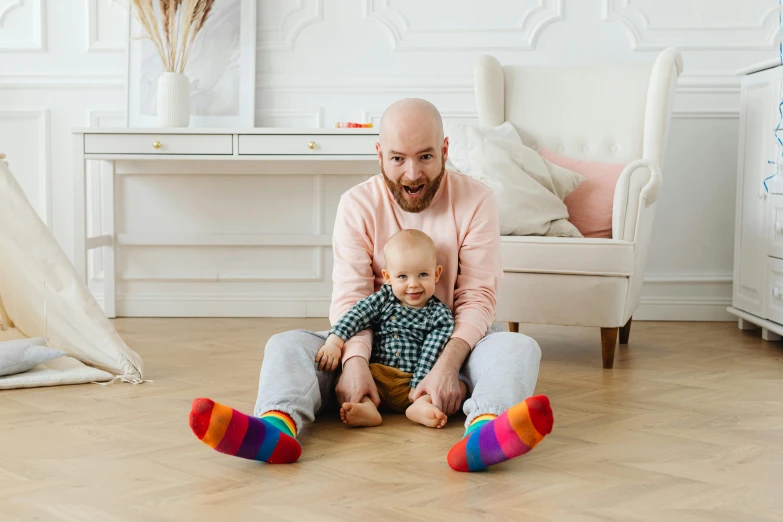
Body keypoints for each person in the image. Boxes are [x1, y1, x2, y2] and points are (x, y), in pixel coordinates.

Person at [189, 98, 553, 471]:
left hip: (450, 348)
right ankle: (276, 429)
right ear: (379, 154)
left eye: (426, 157)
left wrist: (445, 367)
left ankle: (484, 433)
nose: (412, 174)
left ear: (445, 150)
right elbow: (354, 298)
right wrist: (355, 362)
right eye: (398, 159)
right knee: (285, 344)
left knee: (518, 347)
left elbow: (477, 297)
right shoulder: (357, 204)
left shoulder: (476, 199)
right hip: (371, 348)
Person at [316, 228, 462, 429]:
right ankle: (367, 407)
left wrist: (417, 387)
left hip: (411, 380)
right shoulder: (384, 298)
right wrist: (335, 340)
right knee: (346, 377)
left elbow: (432, 352)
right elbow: (357, 314)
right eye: (402, 276)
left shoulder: (440, 315)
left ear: (436, 274)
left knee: (451, 387)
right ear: (388, 277)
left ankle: (419, 406)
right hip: (376, 376)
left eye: (422, 274)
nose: (413, 284)